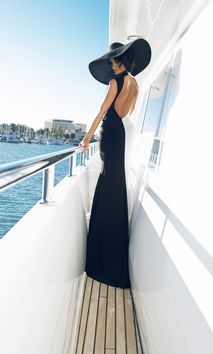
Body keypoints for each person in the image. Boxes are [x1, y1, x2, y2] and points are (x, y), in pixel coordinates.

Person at [80, 38, 152, 288]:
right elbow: (127, 112)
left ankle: (102, 258)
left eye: (112, 61)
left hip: (110, 131)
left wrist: (87, 138)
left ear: (120, 60)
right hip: (119, 132)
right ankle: (113, 253)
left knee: (107, 180)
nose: (111, 66)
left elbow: (103, 110)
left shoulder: (115, 81)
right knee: (114, 183)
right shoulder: (135, 85)